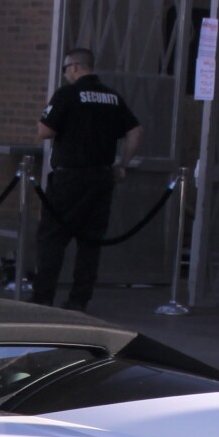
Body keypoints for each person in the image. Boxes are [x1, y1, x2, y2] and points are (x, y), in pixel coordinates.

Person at [30, 45, 140, 313]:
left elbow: (45, 130)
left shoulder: (67, 94)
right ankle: (79, 300)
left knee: (53, 237)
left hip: (69, 178)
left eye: (66, 68)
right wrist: (122, 164)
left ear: (76, 67)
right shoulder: (112, 97)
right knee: (90, 242)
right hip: (101, 178)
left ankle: (43, 298)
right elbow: (135, 130)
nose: (66, 73)